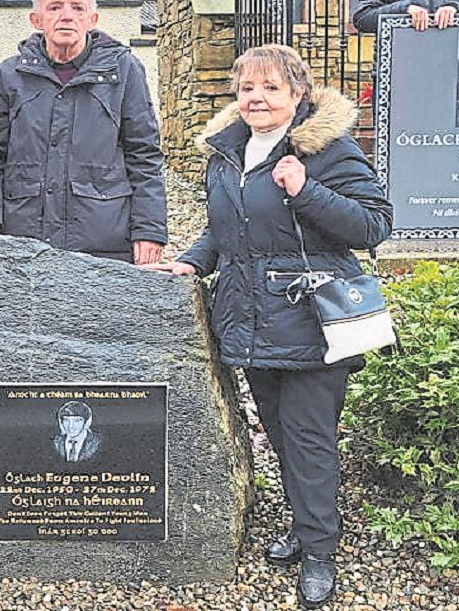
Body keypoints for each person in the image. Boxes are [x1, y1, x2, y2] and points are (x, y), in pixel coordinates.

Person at [143, 45, 392, 609]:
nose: (255, 97)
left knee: (310, 439)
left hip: (311, 319)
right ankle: (307, 527)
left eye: (270, 88)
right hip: (250, 318)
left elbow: (373, 224)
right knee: (281, 435)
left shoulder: (327, 149)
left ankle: (321, 552)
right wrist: (192, 259)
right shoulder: (228, 152)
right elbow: (226, 230)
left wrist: (308, 191)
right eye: (246, 87)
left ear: (298, 95)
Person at [0, 0, 167, 264]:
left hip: (104, 240)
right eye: (55, 7)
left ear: (92, 19)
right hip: (23, 239)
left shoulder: (124, 72)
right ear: (36, 19)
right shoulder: (7, 77)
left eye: (77, 8)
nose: (66, 16)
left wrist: (149, 229)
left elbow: (145, 155)